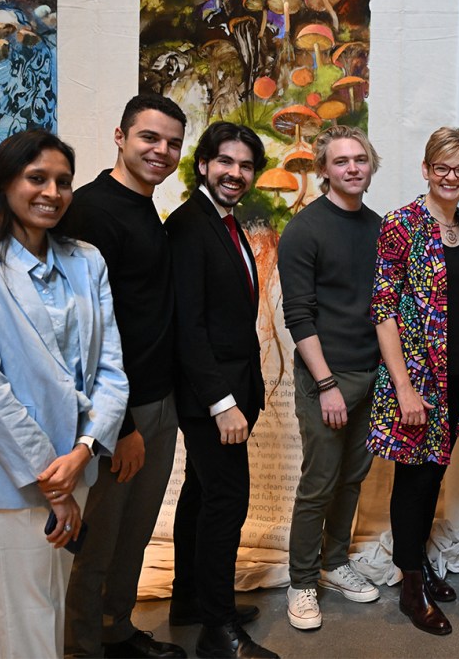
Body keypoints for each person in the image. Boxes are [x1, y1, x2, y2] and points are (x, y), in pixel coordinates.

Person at [0, 129, 127, 659]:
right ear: (4, 183)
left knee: (51, 607)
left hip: (77, 470)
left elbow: (112, 372)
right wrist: (52, 481)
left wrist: (83, 452)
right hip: (16, 477)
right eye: (37, 178)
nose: (52, 191)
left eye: (64, 181)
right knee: (24, 625)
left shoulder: (86, 260)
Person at [60, 93, 188, 659]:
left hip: (160, 401)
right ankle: (85, 646)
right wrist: (125, 424)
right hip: (121, 411)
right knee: (101, 538)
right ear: (119, 136)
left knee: (134, 532)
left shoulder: (145, 207)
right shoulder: (91, 211)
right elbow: (88, 333)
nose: (161, 151)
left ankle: (116, 630)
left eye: (172, 144)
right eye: (149, 138)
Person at [367, 126, 459, 636]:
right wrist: (404, 387)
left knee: (435, 474)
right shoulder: (402, 224)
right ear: (425, 169)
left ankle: (416, 565)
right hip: (419, 380)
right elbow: (382, 308)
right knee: (415, 481)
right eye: (442, 166)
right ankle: (410, 584)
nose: (451, 176)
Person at [166, 122, 278, 659]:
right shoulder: (190, 225)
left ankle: (189, 598)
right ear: (204, 165)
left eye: (246, 165)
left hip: (235, 390)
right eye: (226, 163)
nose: (236, 173)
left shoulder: (223, 223)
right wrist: (222, 403)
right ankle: (218, 629)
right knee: (227, 502)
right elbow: (189, 325)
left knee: (202, 492)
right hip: (215, 400)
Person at [277, 126, 383, 630]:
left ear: (371, 164)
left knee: (353, 477)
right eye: (341, 162)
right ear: (323, 170)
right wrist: (325, 385)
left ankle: (336, 562)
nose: (352, 168)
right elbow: (298, 316)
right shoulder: (304, 229)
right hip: (328, 376)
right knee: (319, 482)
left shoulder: (380, 227)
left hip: (372, 373)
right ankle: (301, 583)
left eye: (360, 159)